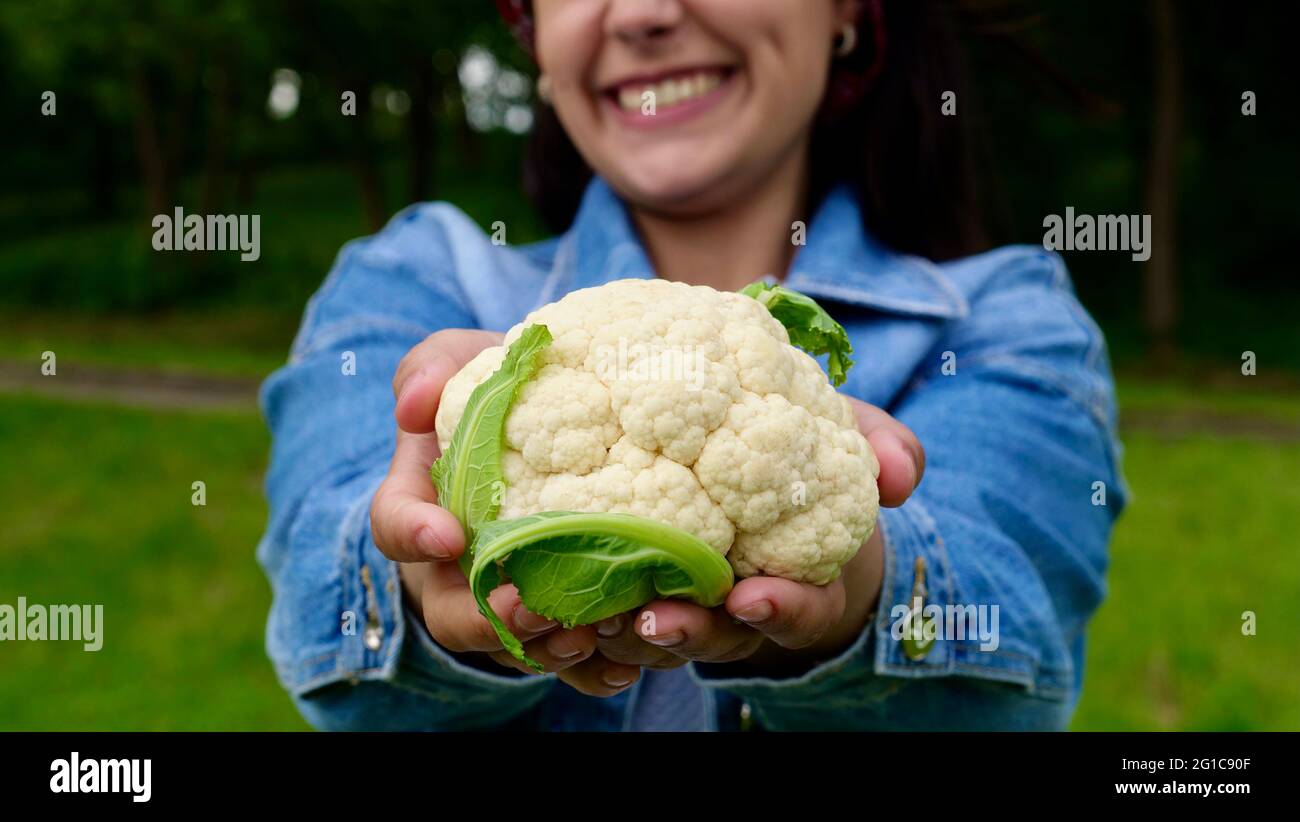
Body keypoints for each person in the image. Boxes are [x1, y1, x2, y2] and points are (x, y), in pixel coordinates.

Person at [257, 0, 1126, 731]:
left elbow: (1011, 645)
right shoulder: (414, 276)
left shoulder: (1004, 317)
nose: (643, 13)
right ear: (537, 39)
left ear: (849, 14)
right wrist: (422, 572)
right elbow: (318, 596)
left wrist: (854, 581)